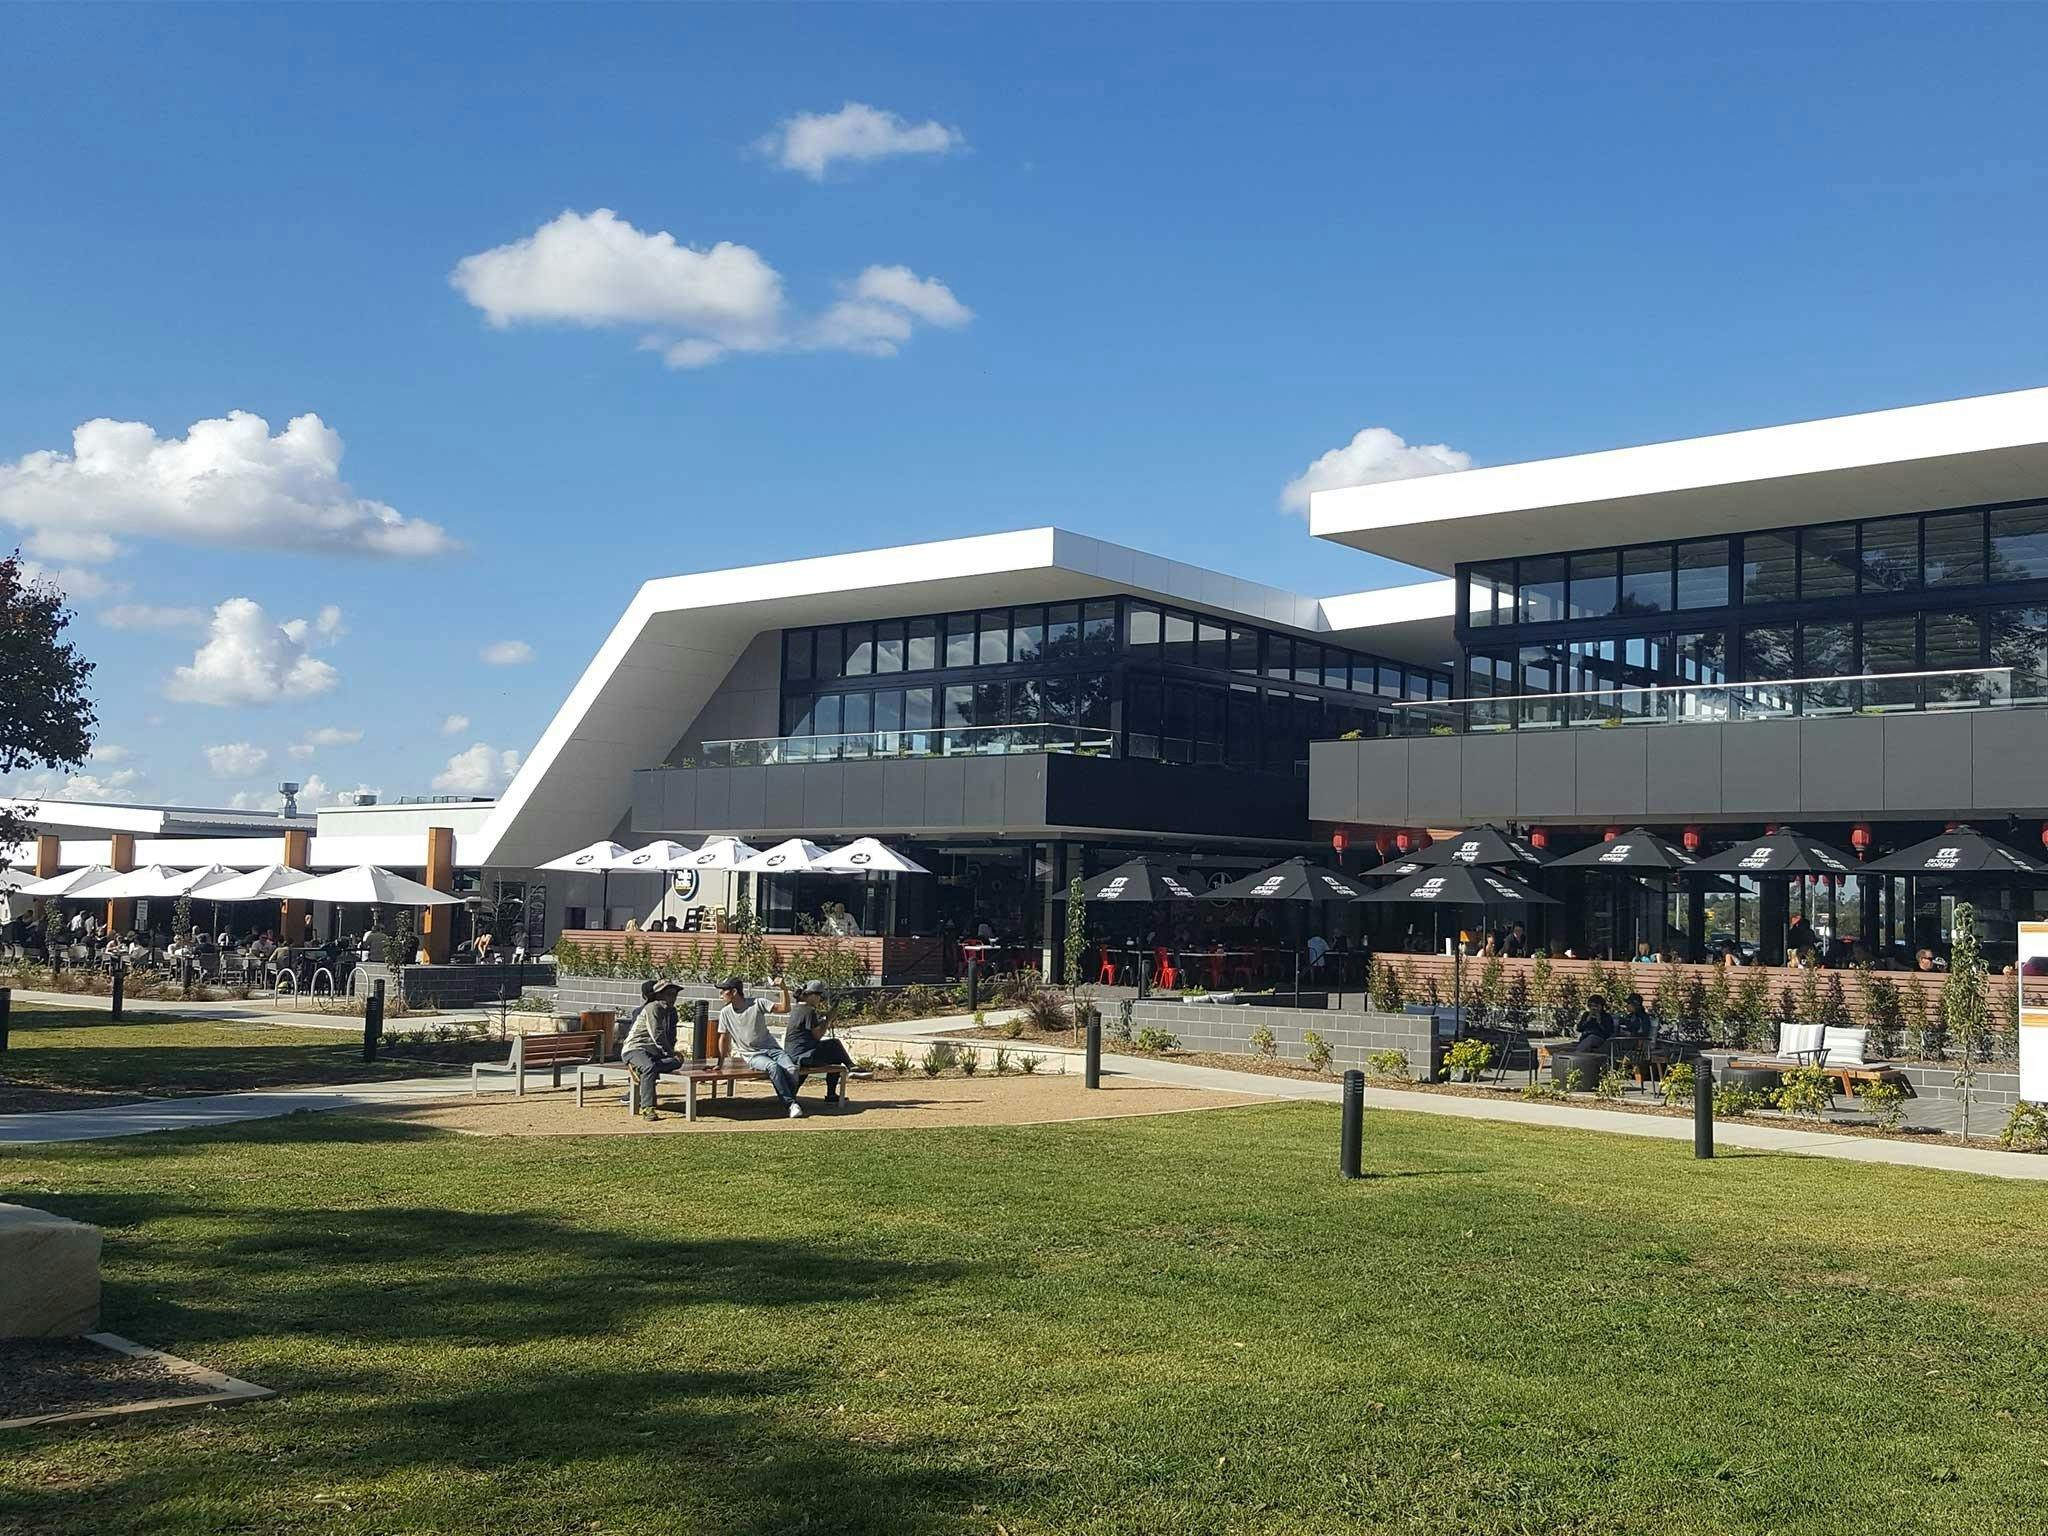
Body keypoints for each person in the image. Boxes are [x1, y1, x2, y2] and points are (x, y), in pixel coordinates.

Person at [716, 975, 804, 1118]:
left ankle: (789, 1099)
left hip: (772, 1049)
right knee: (772, 1067)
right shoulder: (725, 1013)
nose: (720, 995)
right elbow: (723, 1038)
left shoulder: (758, 1003)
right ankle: (790, 1104)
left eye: (723, 991)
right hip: (752, 1055)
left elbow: (785, 1008)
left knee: (792, 1069)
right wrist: (720, 1063)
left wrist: (783, 988)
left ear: (734, 992)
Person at [778, 979, 860, 1105]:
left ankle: (794, 1094)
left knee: (834, 1056)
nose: (820, 999)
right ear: (810, 995)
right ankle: (851, 1067)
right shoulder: (809, 1011)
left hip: (795, 1054)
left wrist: (825, 1019)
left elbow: (811, 1031)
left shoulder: (798, 1009)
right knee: (834, 1044)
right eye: (818, 995)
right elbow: (817, 1036)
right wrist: (828, 1020)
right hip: (803, 1056)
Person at [620, 978, 686, 1119]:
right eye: (669, 994)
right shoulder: (653, 1007)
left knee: (678, 1062)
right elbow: (657, 1034)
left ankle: (639, 1069)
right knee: (649, 1068)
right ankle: (647, 1108)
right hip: (635, 1049)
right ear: (659, 995)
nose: (673, 998)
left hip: (653, 1053)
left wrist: (672, 1055)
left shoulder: (669, 1011)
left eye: (675, 995)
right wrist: (670, 1052)